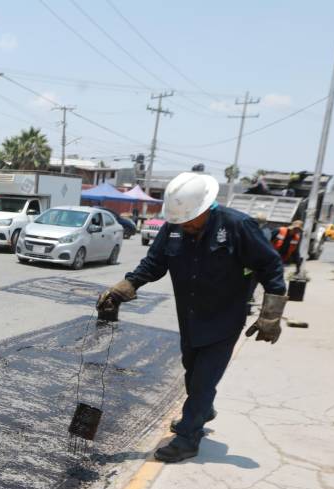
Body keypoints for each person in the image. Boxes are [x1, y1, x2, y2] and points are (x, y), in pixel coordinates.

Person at [96, 172, 287, 463]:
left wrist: (271, 315)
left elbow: (270, 265)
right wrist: (127, 286)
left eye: (190, 220)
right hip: (190, 316)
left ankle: (187, 438)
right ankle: (201, 409)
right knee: (193, 371)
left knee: (202, 381)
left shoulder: (237, 226)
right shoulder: (173, 228)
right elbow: (154, 263)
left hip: (225, 318)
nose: (184, 225)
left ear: (206, 209)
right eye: (180, 220)